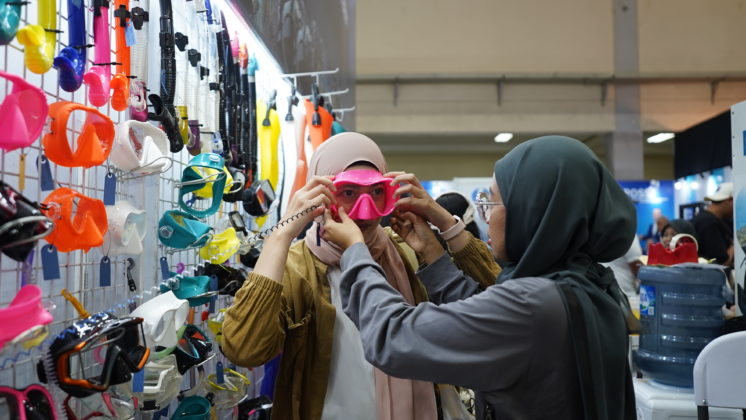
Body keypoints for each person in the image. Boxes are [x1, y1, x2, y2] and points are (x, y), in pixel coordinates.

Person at [322, 136, 637, 419]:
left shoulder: (534, 305)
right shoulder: (593, 285)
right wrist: (434, 249)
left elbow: (394, 336)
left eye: (493, 202)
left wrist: (355, 252)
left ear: (531, 211)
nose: (487, 215)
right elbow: (484, 316)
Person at [221, 132, 500, 420]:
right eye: (348, 193)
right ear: (319, 194)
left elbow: (501, 308)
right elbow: (245, 349)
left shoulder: (407, 248)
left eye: (376, 192)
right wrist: (281, 236)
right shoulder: (295, 267)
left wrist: (444, 225)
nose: (364, 212)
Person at [692, 182, 734, 267]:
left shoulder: (706, 219)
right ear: (729, 200)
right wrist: (736, 245)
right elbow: (722, 263)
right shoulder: (708, 223)